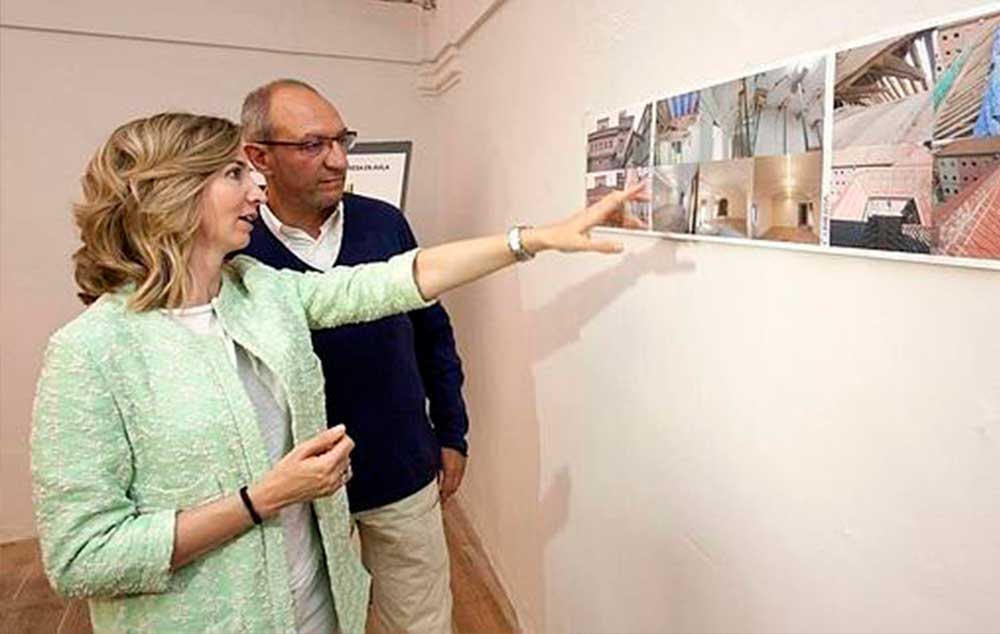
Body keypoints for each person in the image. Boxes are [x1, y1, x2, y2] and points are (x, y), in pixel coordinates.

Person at [31, 111, 642, 634]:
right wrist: (264, 498)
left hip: (316, 609)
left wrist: (535, 238)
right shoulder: (91, 353)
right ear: (172, 193)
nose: (257, 191)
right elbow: (82, 556)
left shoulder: (259, 291)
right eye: (234, 173)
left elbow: (399, 279)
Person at [239, 78, 466, 633]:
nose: (338, 160)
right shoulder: (236, 247)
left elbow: (431, 332)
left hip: (400, 469)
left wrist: (452, 431)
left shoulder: (384, 223)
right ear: (258, 156)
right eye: (313, 145)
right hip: (298, 491)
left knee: (422, 619)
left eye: (343, 141)